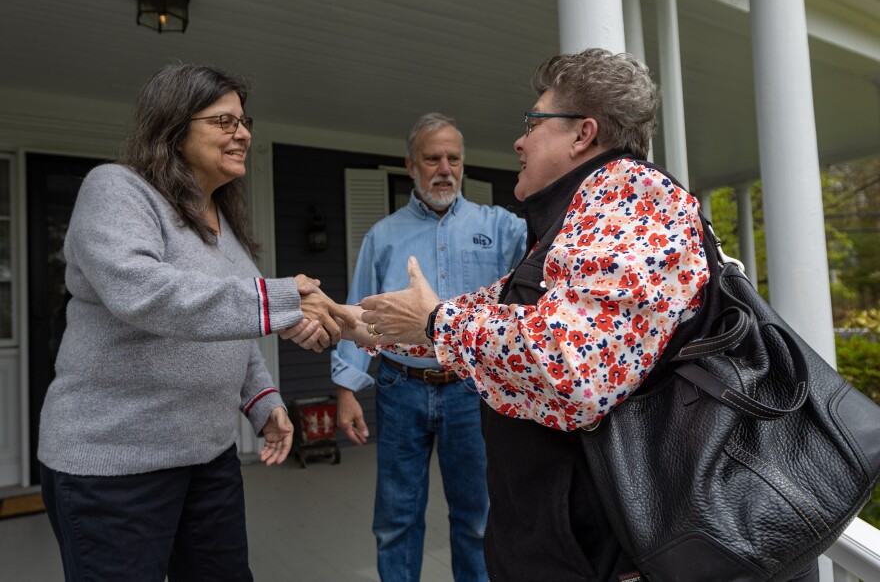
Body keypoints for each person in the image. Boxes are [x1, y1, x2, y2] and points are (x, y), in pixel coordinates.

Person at [344, 50, 818, 581]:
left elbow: (572, 366)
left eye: (533, 123)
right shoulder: (581, 217)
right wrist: (362, 321)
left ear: (581, 134)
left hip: (607, 553)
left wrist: (435, 323)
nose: (519, 142)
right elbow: (487, 315)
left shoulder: (634, 207)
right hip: (564, 545)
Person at [38, 63, 352, 581]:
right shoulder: (117, 189)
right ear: (174, 126)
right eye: (225, 122)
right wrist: (279, 301)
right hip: (114, 464)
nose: (244, 133)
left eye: (245, 121)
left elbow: (231, 323)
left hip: (208, 459)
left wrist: (264, 401)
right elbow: (142, 291)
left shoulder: (221, 221)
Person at [329, 113, 527, 581]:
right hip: (401, 388)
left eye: (453, 158)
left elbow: (550, 251)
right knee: (395, 520)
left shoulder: (500, 228)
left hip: (470, 389)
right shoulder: (383, 236)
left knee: (477, 520)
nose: (444, 168)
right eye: (432, 158)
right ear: (411, 165)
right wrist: (345, 390)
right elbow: (357, 311)